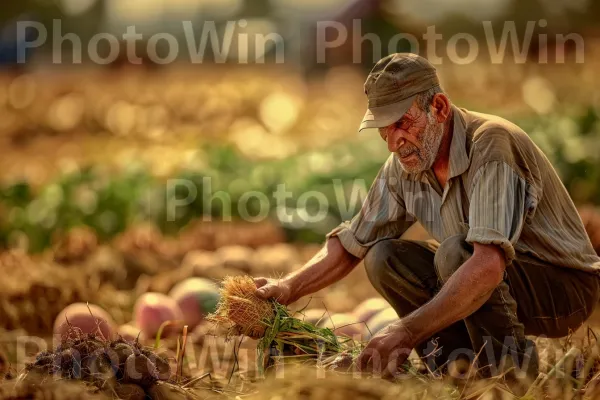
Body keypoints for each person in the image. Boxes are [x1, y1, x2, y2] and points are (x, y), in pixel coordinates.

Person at [253, 53, 600, 381]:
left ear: (439, 107)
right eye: (383, 130)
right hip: (493, 278)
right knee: (382, 257)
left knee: (454, 253)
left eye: (402, 123)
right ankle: (454, 371)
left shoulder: (492, 144)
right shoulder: (406, 165)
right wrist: (288, 287)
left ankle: (508, 378)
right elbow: (352, 243)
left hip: (564, 289)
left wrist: (405, 331)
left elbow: (487, 266)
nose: (393, 142)